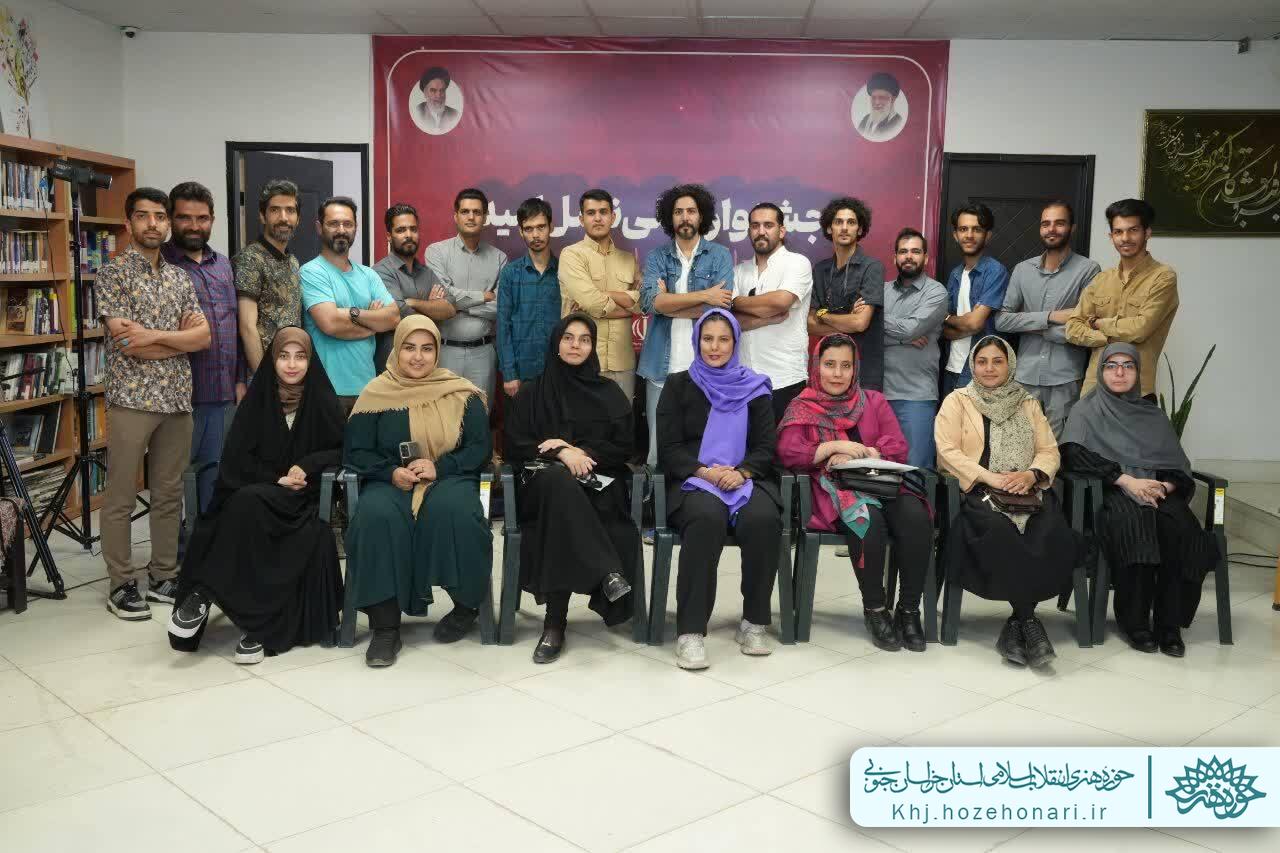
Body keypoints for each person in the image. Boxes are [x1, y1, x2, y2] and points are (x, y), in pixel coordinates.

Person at [167, 328, 346, 662]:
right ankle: (248, 621)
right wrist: (276, 478)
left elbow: (340, 449)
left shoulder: (322, 399)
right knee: (245, 504)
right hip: (259, 492)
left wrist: (305, 466)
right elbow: (236, 461)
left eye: (300, 357)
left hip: (300, 502)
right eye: (284, 356)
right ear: (272, 359)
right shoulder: (257, 400)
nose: (292, 364)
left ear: (310, 361)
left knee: (245, 506)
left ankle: (206, 594)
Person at [343, 315, 492, 667]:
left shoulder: (461, 392)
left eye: (427, 349)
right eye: (409, 347)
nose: (418, 357)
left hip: (448, 477)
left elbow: (479, 447)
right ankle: (385, 628)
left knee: (456, 513)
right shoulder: (376, 393)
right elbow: (357, 450)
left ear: (437, 352)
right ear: (396, 349)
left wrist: (441, 467)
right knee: (375, 517)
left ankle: (465, 608)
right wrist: (389, 471)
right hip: (390, 481)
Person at [777, 334, 934, 652]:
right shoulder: (801, 406)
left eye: (845, 366)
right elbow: (788, 452)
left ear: (855, 368)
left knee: (917, 518)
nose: (837, 374)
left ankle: (908, 611)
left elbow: (898, 445)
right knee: (866, 519)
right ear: (816, 366)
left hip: (882, 483)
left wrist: (866, 452)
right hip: (834, 492)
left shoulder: (873, 401)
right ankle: (875, 609)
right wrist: (833, 447)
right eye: (830, 364)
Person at [1060, 344, 1217, 657]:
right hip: (1111, 490)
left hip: (1156, 490)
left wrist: (1162, 487)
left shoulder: (1152, 415)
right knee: (1135, 525)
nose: (1119, 372)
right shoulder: (1085, 411)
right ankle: (1136, 624)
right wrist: (1127, 481)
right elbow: (1073, 454)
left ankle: (1169, 625)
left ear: (1137, 372)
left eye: (1128, 366)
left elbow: (1176, 465)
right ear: (1101, 371)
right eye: (1111, 365)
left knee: (1184, 531)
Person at [97, 188, 211, 620]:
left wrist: (154, 336)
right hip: (131, 399)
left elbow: (203, 338)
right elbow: (128, 344)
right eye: (143, 216)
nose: (153, 224)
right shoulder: (112, 274)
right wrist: (176, 341)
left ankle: (164, 574)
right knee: (121, 496)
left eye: (160, 216)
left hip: (177, 400)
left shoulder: (180, 277)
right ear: (128, 223)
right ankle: (121, 583)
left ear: (167, 223)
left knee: (168, 493)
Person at [935, 335, 1078, 669]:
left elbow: (1049, 450)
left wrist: (1031, 474)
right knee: (1000, 530)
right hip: (978, 491)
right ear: (973, 365)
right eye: (982, 361)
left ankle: (1015, 627)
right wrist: (989, 477)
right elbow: (947, 451)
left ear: (1010, 364)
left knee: (1049, 528)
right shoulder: (957, 401)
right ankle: (1028, 620)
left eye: (997, 361)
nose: (989, 368)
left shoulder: (1027, 402)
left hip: (1027, 491)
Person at [504, 314, 639, 663]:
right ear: (556, 343)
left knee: (566, 509)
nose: (575, 345)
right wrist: (561, 453)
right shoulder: (532, 392)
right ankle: (607, 572)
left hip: (596, 482)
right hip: (541, 485)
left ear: (593, 347)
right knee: (558, 482)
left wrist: (583, 452)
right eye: (568, 337)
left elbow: (626, 447)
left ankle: (555, 625)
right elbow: (515, 445)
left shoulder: (608, 393)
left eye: (584, 339)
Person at [657, 309, 782, 670]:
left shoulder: (755, 388)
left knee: (763, 520)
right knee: (706, 519)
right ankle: (690, 632)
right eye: (707, 339)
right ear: (697, 341)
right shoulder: (678, 385)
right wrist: (706, 473)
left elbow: (766, 447)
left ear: (736, 342)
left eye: (723, 339)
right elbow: (669, 448)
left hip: (745, 479)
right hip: (694, 479)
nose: (715, 347)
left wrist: (742, 472)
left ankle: (754, 623)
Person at [637, 183, 735, 466]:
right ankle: (656, 496)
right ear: (670, 218)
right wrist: (705, 296)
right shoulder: (657, 257)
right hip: (661, 368)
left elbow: (720, 308)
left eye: (691, 211)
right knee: (657, 453)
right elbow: (652, 303)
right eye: (678, 212)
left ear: (701, 215)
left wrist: (670, 303)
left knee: (704, 450)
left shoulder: (719, 255)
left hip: (706, 369)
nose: (685, 217)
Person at [162, 181, 244, 514]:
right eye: (185, 217)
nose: (194, 226)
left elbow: (236, 325)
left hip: (222, 392)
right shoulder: (160, 264)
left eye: (203, 218)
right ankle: (178, 543)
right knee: (174, 484)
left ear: (212, 220)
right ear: (171, 218)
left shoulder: (223, 264)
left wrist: (240, 379)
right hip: (177, 395)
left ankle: (207, 539)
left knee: (215, 480)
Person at [995, 200, 1100, 436]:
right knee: (1020, 444)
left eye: (1059, 223)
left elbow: (1086, 326)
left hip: (1065, 378)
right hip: (1025, 376)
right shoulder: (1023, 269)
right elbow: (1002, 320)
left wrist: (1030, 325)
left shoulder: (1089, 270)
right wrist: (1052, 316)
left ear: (1072, 228)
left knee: (1059, 448)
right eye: (1046, 224)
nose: (1051, 229)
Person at [1065, 199, 1178, 399]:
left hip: (1137, 392)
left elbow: (1141, 329)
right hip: (1094, 390)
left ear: (1147, 233)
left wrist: (1098, 324)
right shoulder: (1101, 279)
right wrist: (1105, 338)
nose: (1125, 238)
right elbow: (1072, 328)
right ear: (1111, 236)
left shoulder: (1163, 277)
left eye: (1133, 230)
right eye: (1118, 232)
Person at [300, 196, 401, 412]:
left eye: (348, 224)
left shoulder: (368, 275)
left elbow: (393, 317)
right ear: (319, 227)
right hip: (326, 390)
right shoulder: (311, 272)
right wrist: (372, 325)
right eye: (333, 223)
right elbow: (330, 323)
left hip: (368, 388)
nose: (341, 230)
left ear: (355, 228)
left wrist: (352, 313)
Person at [731, 202, 814, 423]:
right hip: (744, 381)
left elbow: (780, 302)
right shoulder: (738, 271)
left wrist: (737, 302)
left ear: (781, 231)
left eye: (768, 225)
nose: (761, 231)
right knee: (749, 444)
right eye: (755, 225)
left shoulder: (797, 263)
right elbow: (730, 321)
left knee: (784, 445)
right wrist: (764, 319)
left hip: (785, 378)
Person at [424, 188, 507, 403]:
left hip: (483, 354)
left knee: (480, 416)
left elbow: (501, 307)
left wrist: (455, 305)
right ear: (456, 216)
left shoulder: (499, 258)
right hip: (446, 352)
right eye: (465, 211)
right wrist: (483, 296)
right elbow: (444, 297)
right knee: (443, 417)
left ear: (485, 217)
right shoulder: (436, 252)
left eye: (477, 212)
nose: (471, 217)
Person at [557, 188, 641, 399]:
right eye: (591, 213)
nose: (597, 218)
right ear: (581, 219)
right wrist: (628, 306)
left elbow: (643, 304)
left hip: (623, 361)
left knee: (622, 419)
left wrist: (603, 294)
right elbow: (593, 303)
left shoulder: (629, 260)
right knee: (582, 420)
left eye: (603, 212)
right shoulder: (571, 255)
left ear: (613, 217)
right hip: (581, 359)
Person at [883, 228, 949, 469]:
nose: (908, 256)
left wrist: (879, 318)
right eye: (903, 251)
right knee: (879, 472)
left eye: (915, 251)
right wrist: (902, 339)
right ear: (895, 258)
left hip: (916, 397)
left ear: (926, 258)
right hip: (878, 396)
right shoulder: (881, 290)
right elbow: (865, 333)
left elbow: (912, 329)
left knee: (915, 471)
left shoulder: (936, 292)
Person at [810, 196, 885, 391]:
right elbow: (809, 324)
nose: (844, 228)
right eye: (838, 222)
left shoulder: (872, 267)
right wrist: (847, 321)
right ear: (829, 228)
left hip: (864, 371)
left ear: (859, 229)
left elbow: (860, 323)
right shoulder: (820, 270)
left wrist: (823, 315)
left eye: (851, 222)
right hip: (828, 371)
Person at [373, 203, 456, 369]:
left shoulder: (427, 273)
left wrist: (411, 302)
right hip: (393, 367)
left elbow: (451, 307)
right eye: (401, 230)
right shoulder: (380, 272)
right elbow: (398, 314)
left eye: (413, 229)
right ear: (389, 236)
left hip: (425, 367)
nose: (408, 235)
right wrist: (433, 308)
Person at [496, 197, 561, 398]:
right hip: (520, 374)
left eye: (541, 227)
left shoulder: (566, 272)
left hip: (559, 372)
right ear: (520, 231)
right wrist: (509, 374)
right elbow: (503, 326)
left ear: (551, 226)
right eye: (529, 229)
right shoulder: (510, 273)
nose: (535, 235)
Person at [235, 179, 302, 373]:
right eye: (275, 210)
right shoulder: (250, 259)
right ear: (262, 216)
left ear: (298, 218)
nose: (283, 218)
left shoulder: (293, 262)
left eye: (290, 210)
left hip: (291, 370)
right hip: (263, 373)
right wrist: (263, 380)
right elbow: (247, 327)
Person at [942, 202, 1009, 396]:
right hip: (951, 368)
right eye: (963, 229)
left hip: (980, 372)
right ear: (955, 235)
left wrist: (948, 318)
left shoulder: (995, 271)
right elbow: (944, 331)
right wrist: (963, 324)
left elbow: (975, 323)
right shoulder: (955, 274)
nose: (969, 235)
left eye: (976, 229)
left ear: (987, 235)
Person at [414, 66, 461, 135]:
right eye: (433, 90)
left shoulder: (454, 114)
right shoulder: (417, 112)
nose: (438, 95)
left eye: (442, 90)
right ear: (425, 92)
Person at [857, 72, 905, 141]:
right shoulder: (866, 120)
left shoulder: (897, 122)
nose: (877, 102)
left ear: (892, 100)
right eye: (873, 97)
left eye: (882, 98)